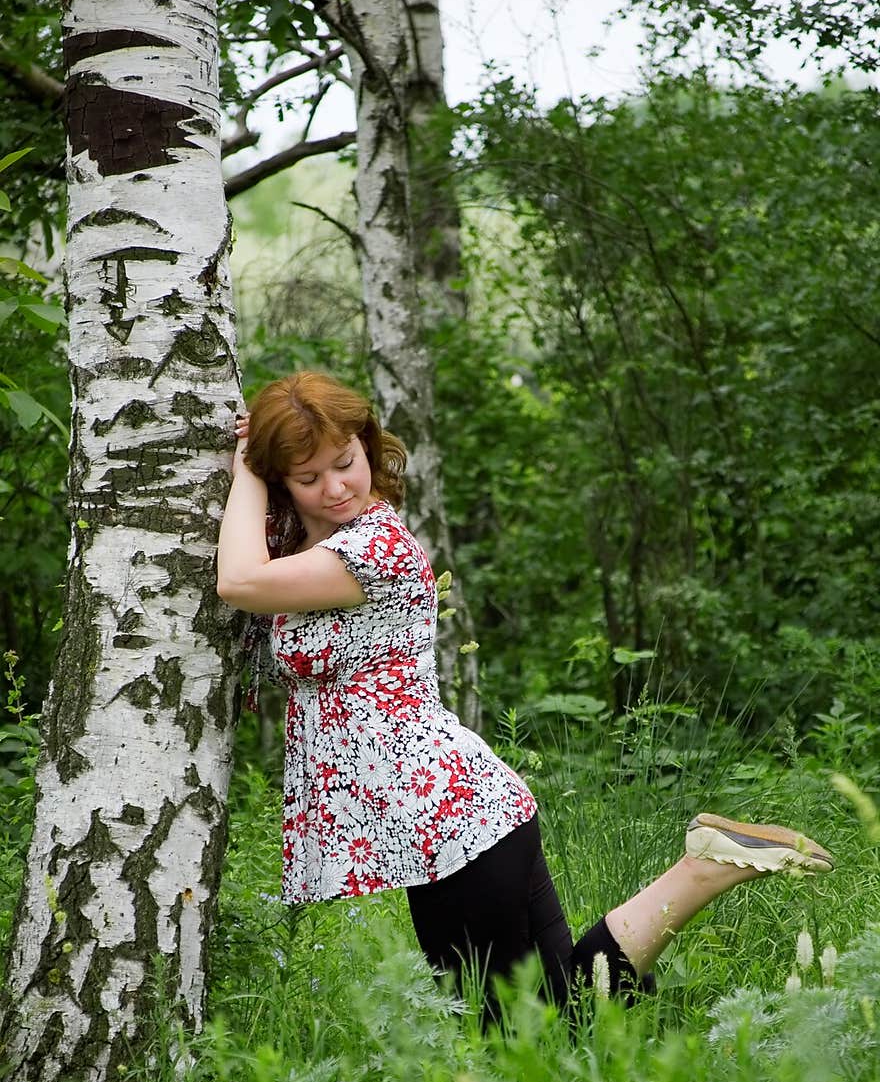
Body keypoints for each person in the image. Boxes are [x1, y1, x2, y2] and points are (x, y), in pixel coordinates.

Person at [217, 371, 834, 1023]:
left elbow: (239, 580)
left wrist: (247, 469)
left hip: (449, 821)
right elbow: (255, 561)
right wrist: (264, 474)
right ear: (289, 482)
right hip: (467, 813)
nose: (336, 486)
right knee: (560, 1010)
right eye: (310, 477)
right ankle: (704, 867)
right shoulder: (307, 540)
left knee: (509, 1031)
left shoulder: (376, 546)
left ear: (366, 446)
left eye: (345, 462)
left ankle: (706, 870)